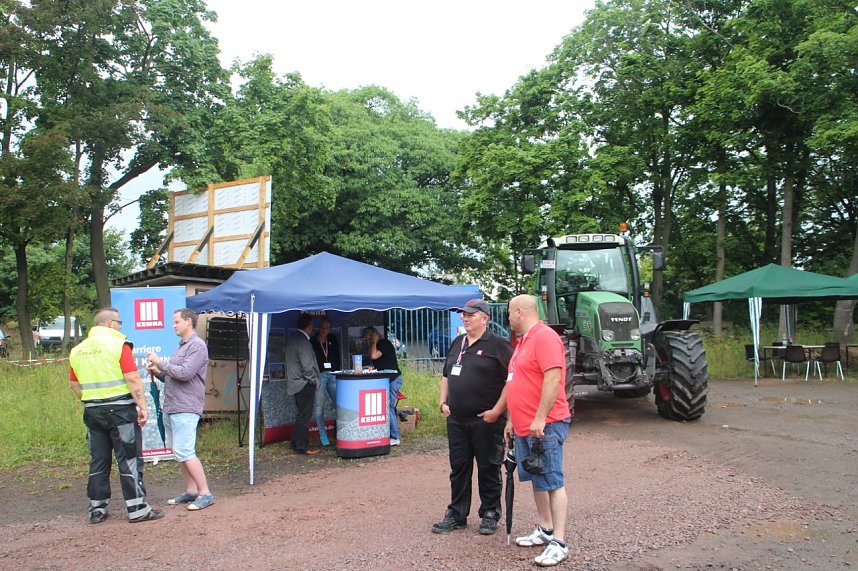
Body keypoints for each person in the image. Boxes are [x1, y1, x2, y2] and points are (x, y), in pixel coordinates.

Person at [69, 307, 164, 524]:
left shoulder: (78, 350)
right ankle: (137, 508)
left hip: (92, 411)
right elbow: (132, 379)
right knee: (128, 458)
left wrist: (91, 399)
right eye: (119, 322)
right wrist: (142, 407)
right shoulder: (118, 344)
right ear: (111, 323)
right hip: (120, 410)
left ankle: (97, 509)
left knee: (98, 460)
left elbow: (73, 384)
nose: (121, 326)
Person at [432, 299, 513, 536]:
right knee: (458, 468)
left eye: (470, 315)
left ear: (485, 318)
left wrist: (497, 411)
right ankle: (456, 514)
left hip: (486, 420)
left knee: (488, 467)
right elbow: (446, 375)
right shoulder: (458, 343)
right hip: (457, 419)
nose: (465, 318)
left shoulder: (498, 345)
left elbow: (511, 381)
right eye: (463, 315)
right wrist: (442, 402)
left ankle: (489, 513)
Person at [504, 294, 572, 567]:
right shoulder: (522, 342)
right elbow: (516, 382)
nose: (508, 318)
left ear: (519, 312)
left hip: (546, 425)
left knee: (552, 479)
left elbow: (553, 377)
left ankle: (560, 541)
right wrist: (511, 419)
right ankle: (545, 528)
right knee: (536, 476)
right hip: (524, 426)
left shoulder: (544, 337)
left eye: (509, 313)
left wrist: (541, 418)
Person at [147, 308, 215, 511]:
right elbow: (173, 376)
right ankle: (191, 491)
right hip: (173, 405)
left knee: (185, 451)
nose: (173, 325)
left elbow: (185, 374)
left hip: (186, 407)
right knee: (179, 452)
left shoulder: (197, 346)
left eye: (176, 322)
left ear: (188, 322)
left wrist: (161, 362)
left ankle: (205, 493)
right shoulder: (181, 346)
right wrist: (158, 372)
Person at [362, 326, 403, 446]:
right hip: (387, 379)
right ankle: (390, 432)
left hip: (393, 379)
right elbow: (379, 361)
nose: (368, 342)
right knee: (389, 407)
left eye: (369, 338)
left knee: (388, 407)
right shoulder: (377, 345)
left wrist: (374, 341)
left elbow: (374, 356)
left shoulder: (383, 343)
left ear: (374, 335)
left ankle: (395, 436)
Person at [286, 313, 321, 455]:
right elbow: (307, 367)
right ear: (309, 326)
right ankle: (302, 446)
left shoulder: (294, 339)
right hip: (304, 384)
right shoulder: (303, 342)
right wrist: (313, 380)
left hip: (296, 383)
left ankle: (296, 442)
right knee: (304, 416)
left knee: (301, 414)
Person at [311, 317, 340, 446]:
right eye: (323, 328)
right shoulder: (313, 341)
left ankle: (341, 430)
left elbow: (337, 355)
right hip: (320, 376)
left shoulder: (332, 339)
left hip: (332, 375)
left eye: (327, 328)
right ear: (319, 327)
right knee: (318, 407)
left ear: (330, 329)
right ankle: (323, 435)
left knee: (339, 404)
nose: (324, 330)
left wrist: (336, 370)